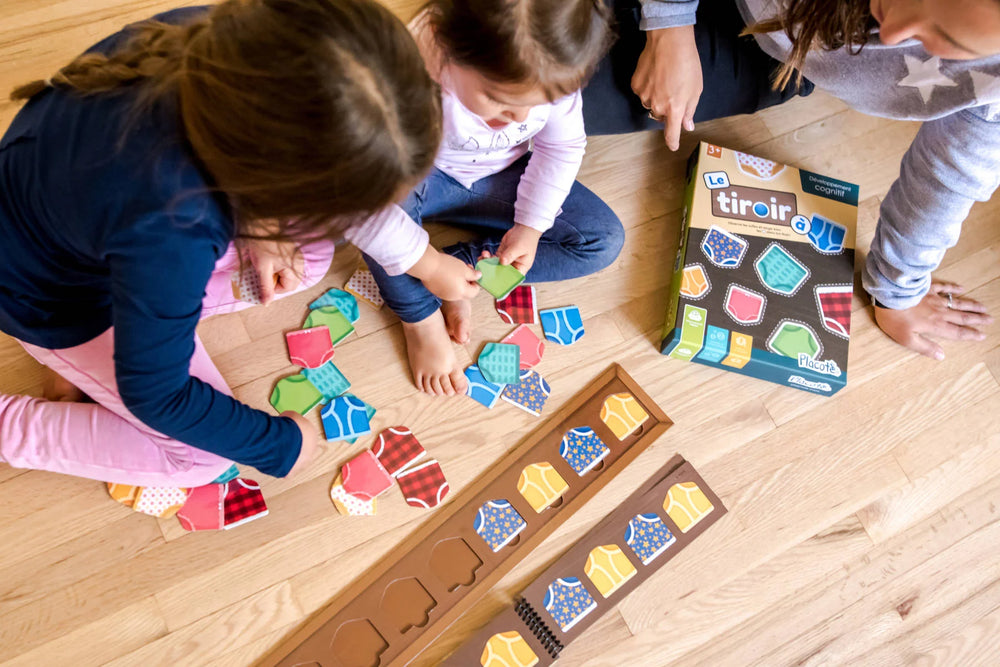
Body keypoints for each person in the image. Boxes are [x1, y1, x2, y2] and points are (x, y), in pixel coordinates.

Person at [0, 0, 441, 486]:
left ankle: (112, 355)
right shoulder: (172, 220)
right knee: (201, 460)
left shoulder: (222, 44)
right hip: (49, 302)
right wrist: (279, 444)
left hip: (84, 229)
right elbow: (155, 392)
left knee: (309, 258)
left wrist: (263, 231)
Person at [583, 0, 999, 360]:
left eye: (947, 42)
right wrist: (668, 23)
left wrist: (896, 291)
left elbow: (953, 172)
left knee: (554, 91)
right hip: (774, 24)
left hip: (780, 44)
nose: (889, 36)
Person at [352, 0, 626, 396]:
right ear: (445, 47)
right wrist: (427, 266)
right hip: (407, 178)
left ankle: (461, 270)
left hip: (497, 176)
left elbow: (561, 147)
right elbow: (361, 205)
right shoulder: (397, 73)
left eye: (537, 104)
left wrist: (531, 226)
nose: (520, 118)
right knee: (373, 219)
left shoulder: (549, 65)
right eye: (500, 102)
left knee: (602, 239)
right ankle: (420, 316)